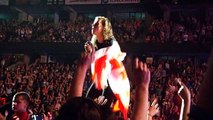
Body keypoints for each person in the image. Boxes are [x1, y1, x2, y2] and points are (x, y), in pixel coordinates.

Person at [86, 16, 130, 120]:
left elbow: (111, 61)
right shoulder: (94, 43)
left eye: (96, 24)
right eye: (93, 24)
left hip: (110, 83)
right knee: (86, 106)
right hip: (98, 82)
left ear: (103, 28)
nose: (93, 26)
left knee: (101, 111)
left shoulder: (112, 44)